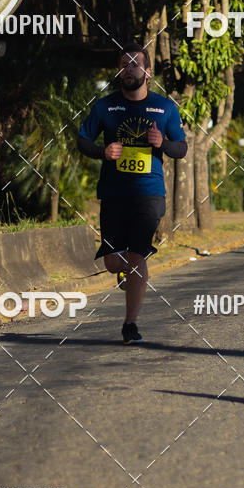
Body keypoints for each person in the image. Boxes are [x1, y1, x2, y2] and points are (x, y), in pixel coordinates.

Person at [77, 43, 187, 343]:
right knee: (113, 260)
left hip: (150, 193)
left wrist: (161, 143)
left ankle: (130, 325)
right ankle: (130, 270)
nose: (129, 70)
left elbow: (181, 148)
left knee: (138, 254)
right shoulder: (104, 107)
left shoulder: (165, 108)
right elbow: (83, 140)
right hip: (113, 193)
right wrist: (103, 150)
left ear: (147, 72)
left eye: (135, 65)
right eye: (124, 65)